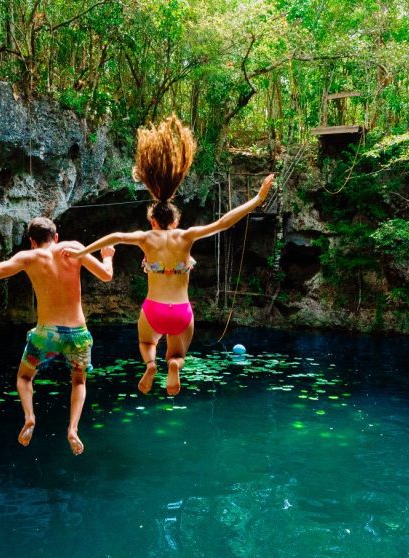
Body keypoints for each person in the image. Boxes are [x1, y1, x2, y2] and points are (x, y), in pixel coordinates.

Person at [68, 115, 274, 396]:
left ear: (152, 221)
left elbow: (114, 237)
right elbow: (224, 222)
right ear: (175, 221)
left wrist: (82, 252)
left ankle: (150, 364)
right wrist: (258, 199)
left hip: (153, 309)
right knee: (177, 355)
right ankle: (173, 366)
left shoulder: (145, 238)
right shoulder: (186, 236)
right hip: (180, 311)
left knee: (146, 343)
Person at [0, 218, 115, 454]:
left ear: (32, 241)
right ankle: (73, 429)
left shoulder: (28, 257)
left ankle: (30, 417)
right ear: (56, 237)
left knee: (24, 378)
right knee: (79, 382)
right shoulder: (73, 248)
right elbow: (107, 275)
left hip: (46, 335)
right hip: (78, 334)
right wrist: (107, 256)